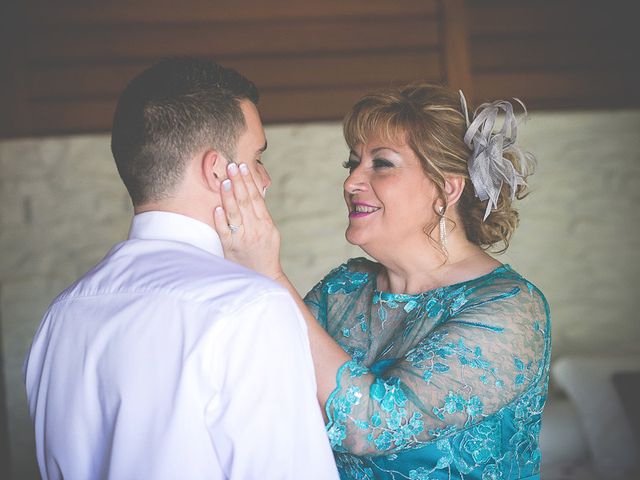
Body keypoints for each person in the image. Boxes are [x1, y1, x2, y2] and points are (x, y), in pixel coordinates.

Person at [23, 57, 339, 480]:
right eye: (258, 157)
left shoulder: (61, 315)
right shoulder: (251, 307)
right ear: (216, 171)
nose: (264, 180)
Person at [215, 84, 551, 479]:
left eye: (382, 164)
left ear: (447, 187)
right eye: (352, 163)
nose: (352, 182)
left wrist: (269, 274)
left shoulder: (510, 308)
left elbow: (375, 425)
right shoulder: (343, 288)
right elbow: (262, 390)